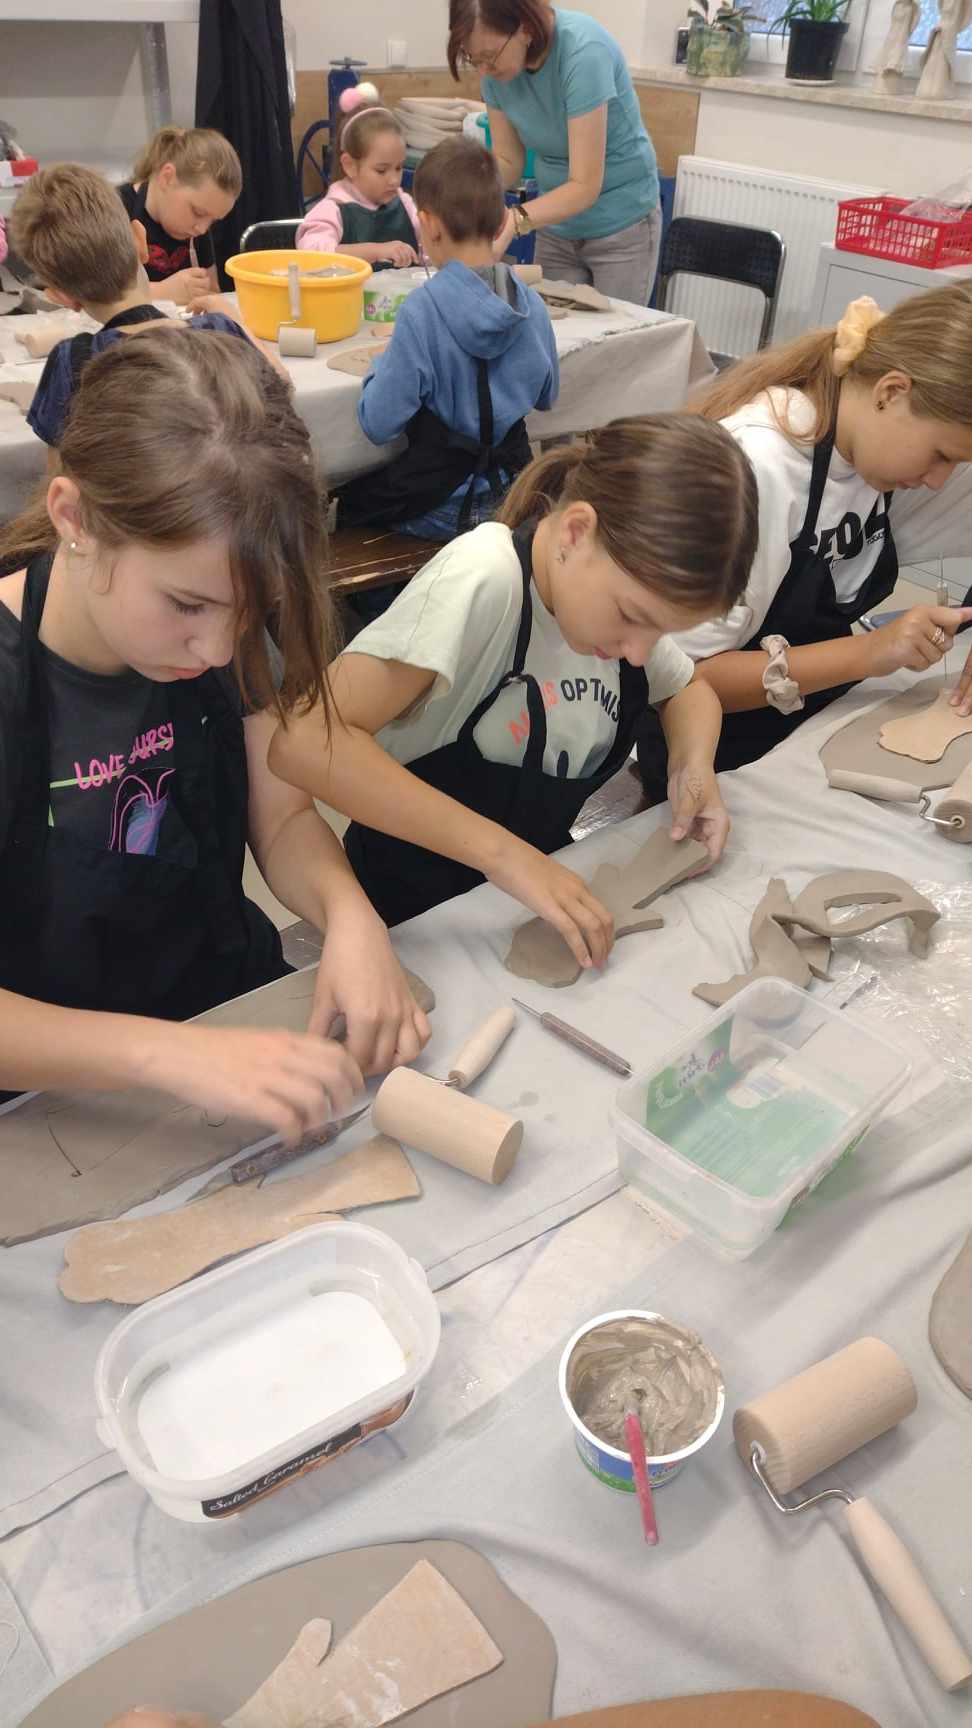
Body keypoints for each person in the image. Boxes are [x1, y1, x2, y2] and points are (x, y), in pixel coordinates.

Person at [0, 326, 430, 1132]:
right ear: (74, 517)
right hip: (58, 1093)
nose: (219, 651)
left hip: (225, 1011)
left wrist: (348, 915)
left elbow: (283, 818)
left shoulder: (220, 621)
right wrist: (168, 1055)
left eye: (248, 613)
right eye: (186, 605)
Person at [270, 416, 758, 969]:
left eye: (661, 632)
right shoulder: (487, 581)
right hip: (413, 917)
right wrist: (504, 856)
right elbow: (305, 740)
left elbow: (689, 689)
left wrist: (693, 766)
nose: (640, 653)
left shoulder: (615, 620)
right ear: (575, 533)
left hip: (527, 894)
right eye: (631, 616)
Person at [634, 290, 972, 802]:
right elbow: (681, 679)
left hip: (807, 725)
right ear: (891, 391)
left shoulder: (872, 448)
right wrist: (872, 650)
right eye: (940, 456)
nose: (938, 481)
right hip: (712, 756)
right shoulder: (759, 469)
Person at [334, 136, 559, 547]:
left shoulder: (421, 312)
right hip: (514, 495)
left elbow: (378, 424)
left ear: (429, 225)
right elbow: (548, 396)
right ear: (500, 223)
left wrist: (382, 364)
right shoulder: (532, 305)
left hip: (440, 505)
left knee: (342, 510)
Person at [8, 163, 282, 454]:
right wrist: (234, 319)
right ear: (141, 240)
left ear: (61, 297)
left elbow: (61, 467)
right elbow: (281, 386)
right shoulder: (220, 332)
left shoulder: (71, 361)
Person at [448, 0, 661, 306]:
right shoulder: (494, 74)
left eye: (490, 57)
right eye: (474, 58)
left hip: (622, 224)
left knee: (615, 332)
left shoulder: (583, 51)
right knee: (552, 327)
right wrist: (468, 196)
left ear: (524, 28)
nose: (484, 71)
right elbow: (509, 160)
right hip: (556, 224)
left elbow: (584, 185)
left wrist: (514, 220)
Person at [296, 86, 422, 270]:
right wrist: (376, 251)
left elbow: (430, 249)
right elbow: (312, 255)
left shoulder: (405, 203)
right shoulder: (333, 209)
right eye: (381, 170)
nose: (394, 180)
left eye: (399, 168)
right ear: (350, 166)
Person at [117, 126, 241, 305]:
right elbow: (96, 297)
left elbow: (212, 290)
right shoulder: (114, 210)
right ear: (167, 178)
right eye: (198, 212)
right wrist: (161, 291)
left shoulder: (197, 225)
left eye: (213, 220)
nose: (202, 229)